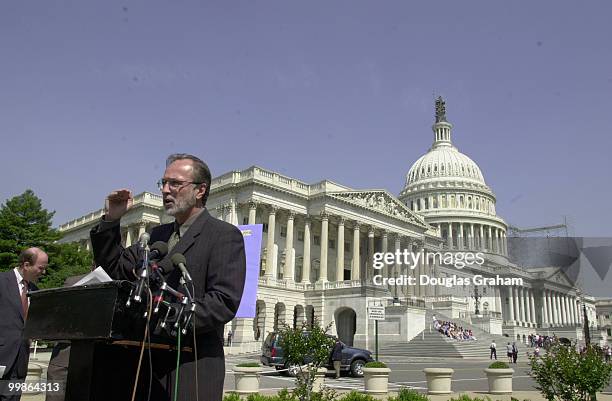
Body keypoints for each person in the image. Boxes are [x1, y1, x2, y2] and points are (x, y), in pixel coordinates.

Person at [90, 154, 246, 401]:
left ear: (200, 190)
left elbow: (223, 301)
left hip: (191, 365)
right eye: (163, 183)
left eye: (175, 183)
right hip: (143, 363)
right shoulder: (156, 236)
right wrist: (111, 220)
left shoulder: (224, 235)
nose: (165, 190)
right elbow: (117, 268)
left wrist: (162, 315)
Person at [0, 248, 48, 401]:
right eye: (41, 268)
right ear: (26, 265)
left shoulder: (34, 291)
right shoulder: (1, 281)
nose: (43, 272)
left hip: (20, 362)